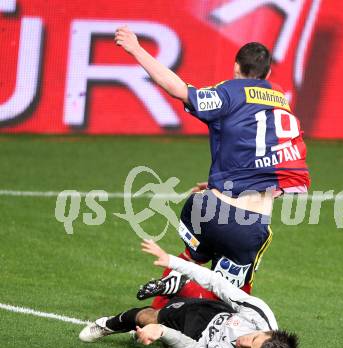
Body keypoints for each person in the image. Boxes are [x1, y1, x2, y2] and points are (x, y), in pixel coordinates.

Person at [114, 27, 311, 307]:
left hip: (207, 207)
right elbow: (280, 168)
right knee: (234, 302)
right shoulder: (282, 103)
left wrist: (136, 49)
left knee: (191, 257)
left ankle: (153, 313)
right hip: (247, 223)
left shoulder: (228, 92)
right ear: (268, 75)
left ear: (236, 68)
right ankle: (192, 318)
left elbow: (179, 89)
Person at [79, 240, 299, 348]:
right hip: (211, 315)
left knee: (162, 341)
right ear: (267, 331)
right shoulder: (259, 316)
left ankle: (174, 291)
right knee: (148, 318)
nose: (242, 342)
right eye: (252, 338)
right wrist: (173, 262)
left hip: (199, 342)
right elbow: (218, 283)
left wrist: (163, 333)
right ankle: (106, 324)